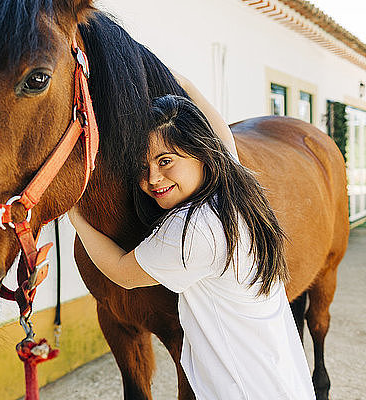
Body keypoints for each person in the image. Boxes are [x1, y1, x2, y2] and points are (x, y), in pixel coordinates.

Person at [67, 75, 316, 399]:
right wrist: (178, 79)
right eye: (142, 166)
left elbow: (121, 272)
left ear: (200, 153)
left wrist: (75, 212)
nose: (153, 178)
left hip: (239, 390)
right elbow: (222, 133)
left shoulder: (193, 229)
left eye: (165, 161)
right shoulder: (237, 191)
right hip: (279, 380)